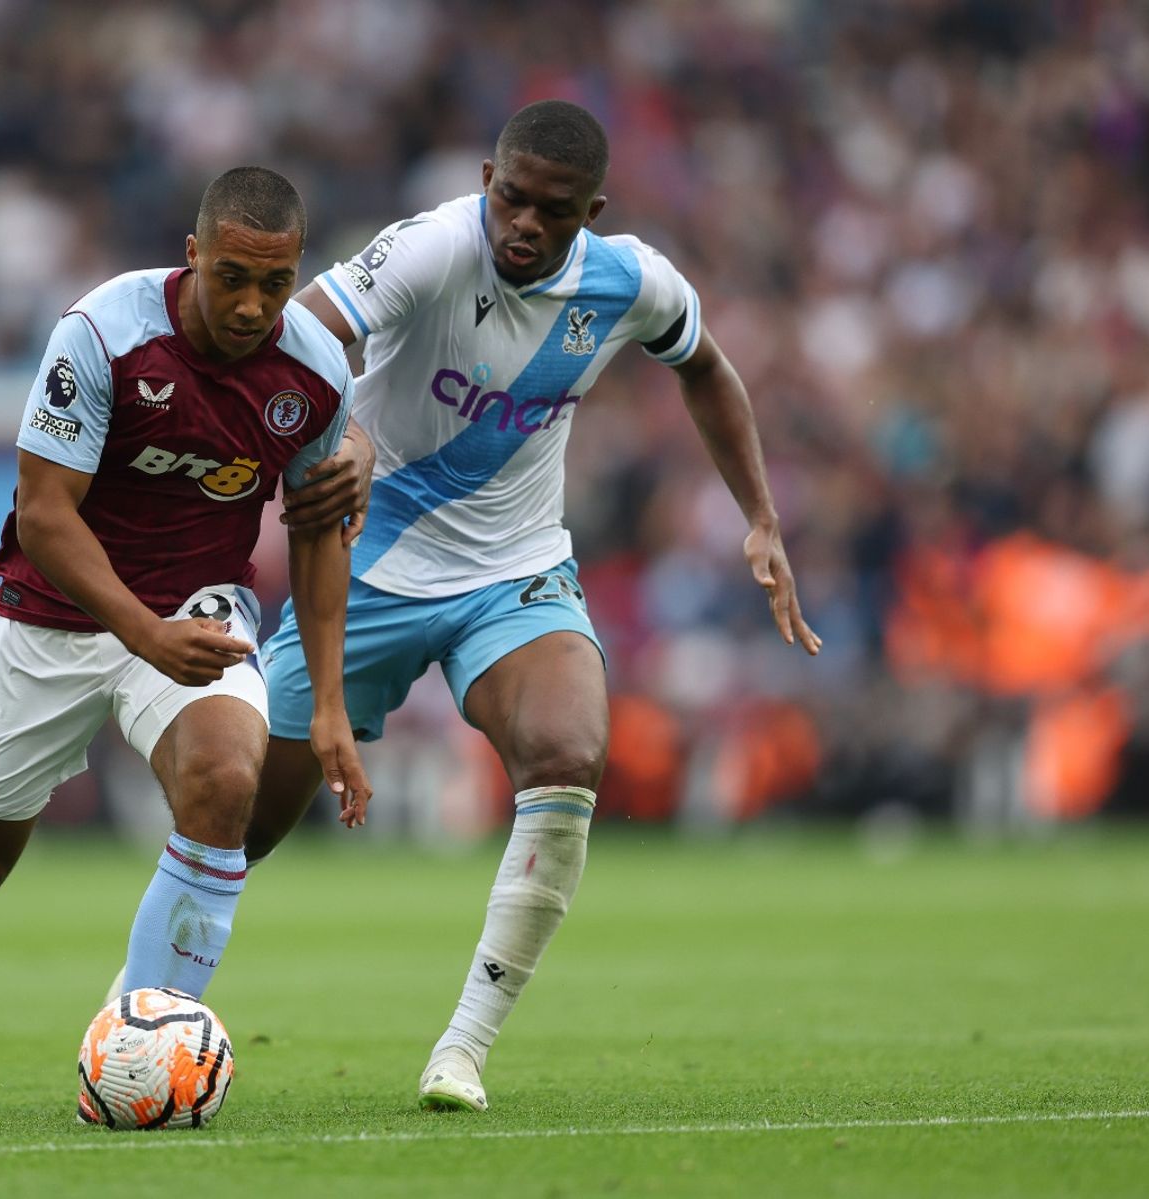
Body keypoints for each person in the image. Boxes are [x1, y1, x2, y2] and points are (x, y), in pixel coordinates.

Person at [258, 100, 824, 1112]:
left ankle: (462, 1048)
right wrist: (340, 432)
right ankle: (144, 1004)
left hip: (512, 572)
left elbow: (707, 368)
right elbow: (304, 329)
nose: (522, 222)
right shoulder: (433, 246)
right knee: (237, 817)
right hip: (371, 561)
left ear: (589, 211)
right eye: (509, 197)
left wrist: (761, 518)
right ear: (488, 179)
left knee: (570, 750)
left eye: (550, 210)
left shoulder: (629, 283)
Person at [0, 166, 373, 1107]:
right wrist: (145, 635)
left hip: (199, 605)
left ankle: (146, 1049)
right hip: (55, 618)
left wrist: (329, 705)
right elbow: (44, 517)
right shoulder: (104, 335)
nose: (252, 305)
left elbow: (317, 529)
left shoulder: (314, 373)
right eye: (233, 276)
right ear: (193, 255)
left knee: (226, 779)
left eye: (276, 284)